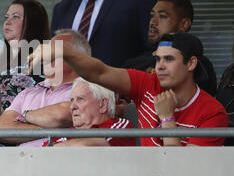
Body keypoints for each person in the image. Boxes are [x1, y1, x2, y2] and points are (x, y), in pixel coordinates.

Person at [29, 32, 229, 146]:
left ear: (191, 63)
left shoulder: (213, 112)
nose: (159, 66)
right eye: (157, 59)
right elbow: (99, 73)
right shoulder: (147, 83)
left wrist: (167, 119)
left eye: (169, 59)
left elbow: (179, 169)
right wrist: (66, 52)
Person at [0, 30, 88, 146]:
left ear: (78, 58)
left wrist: (22, 118)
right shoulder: (28, 93)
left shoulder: (90, 88)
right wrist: (53, 131)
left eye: (54, 51)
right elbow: (1, 129)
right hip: (21, 161)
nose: (46, 55)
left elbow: (62, 115)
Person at [124, 0, 217, 95]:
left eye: (162, 16)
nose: (152, 22)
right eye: (152, 15)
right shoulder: (134, 64)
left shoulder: (200, 66)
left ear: (184, 24)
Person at [0, 0, 50, 110]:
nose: (7, 22)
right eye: (6, 17)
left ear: (33, 23)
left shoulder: (44, 58)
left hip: (21, 124)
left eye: (16, 17)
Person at [46, 78, 136, 147]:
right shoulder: (69, 132)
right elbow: (41, 153)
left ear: (103, 105)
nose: (72, 106)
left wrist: (53, 149)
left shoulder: (120, 126)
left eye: (80, 99)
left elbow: (88, 146)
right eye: (72, 100)